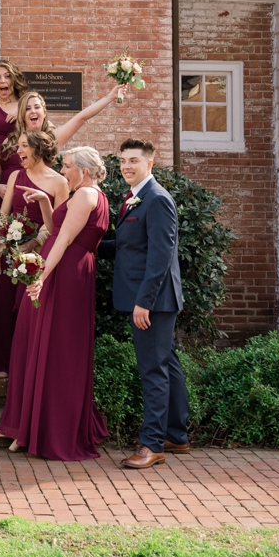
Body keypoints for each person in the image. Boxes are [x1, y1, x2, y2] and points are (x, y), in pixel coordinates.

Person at [0, 145, 112, 460]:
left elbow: (63, 240)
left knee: (54, 349)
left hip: (64, 276)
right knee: (39, 344)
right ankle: (26, 427)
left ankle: (40, 430)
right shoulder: (86, 195)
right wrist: (46, 202)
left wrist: (42, 276)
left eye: (68, 166)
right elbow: (57, 228)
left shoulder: (86, 196)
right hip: (64, 270)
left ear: (83, 171)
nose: (64, 171)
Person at [112, 138, 189, 469]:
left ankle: (152, 445)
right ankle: (176, 435)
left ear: (149, 164)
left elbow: (160, 255)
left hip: (153, 302)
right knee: (167, 364)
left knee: (153, 370)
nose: (127, 166)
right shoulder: (134, 198)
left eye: (134, 160)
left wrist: (144, 302)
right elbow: (131, 244)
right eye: (123, 161)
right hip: (148, 298)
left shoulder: (156, 199)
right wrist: (83, 243)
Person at [0, 129, 67, 376]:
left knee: (25, 307)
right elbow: (3, 214)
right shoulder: (15, 177)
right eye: (18, 146)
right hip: (11, 249)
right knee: (2, 306)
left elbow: (61, 222)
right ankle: (2, 364)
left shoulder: (59, 182)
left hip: (40, 253)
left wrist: (35, 243)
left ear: (38, 149)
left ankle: (26, 364)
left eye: (23, 146)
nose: (18, 151)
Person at [0, 86, 127, 202]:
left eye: (37, 107)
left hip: (34, 201)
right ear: (22, 115)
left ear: (44, 112)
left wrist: (110, 96)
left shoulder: (51, 139)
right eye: (28, 108)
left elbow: (81, 118)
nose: (33, 111)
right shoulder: (10, 141)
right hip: (3, 201)